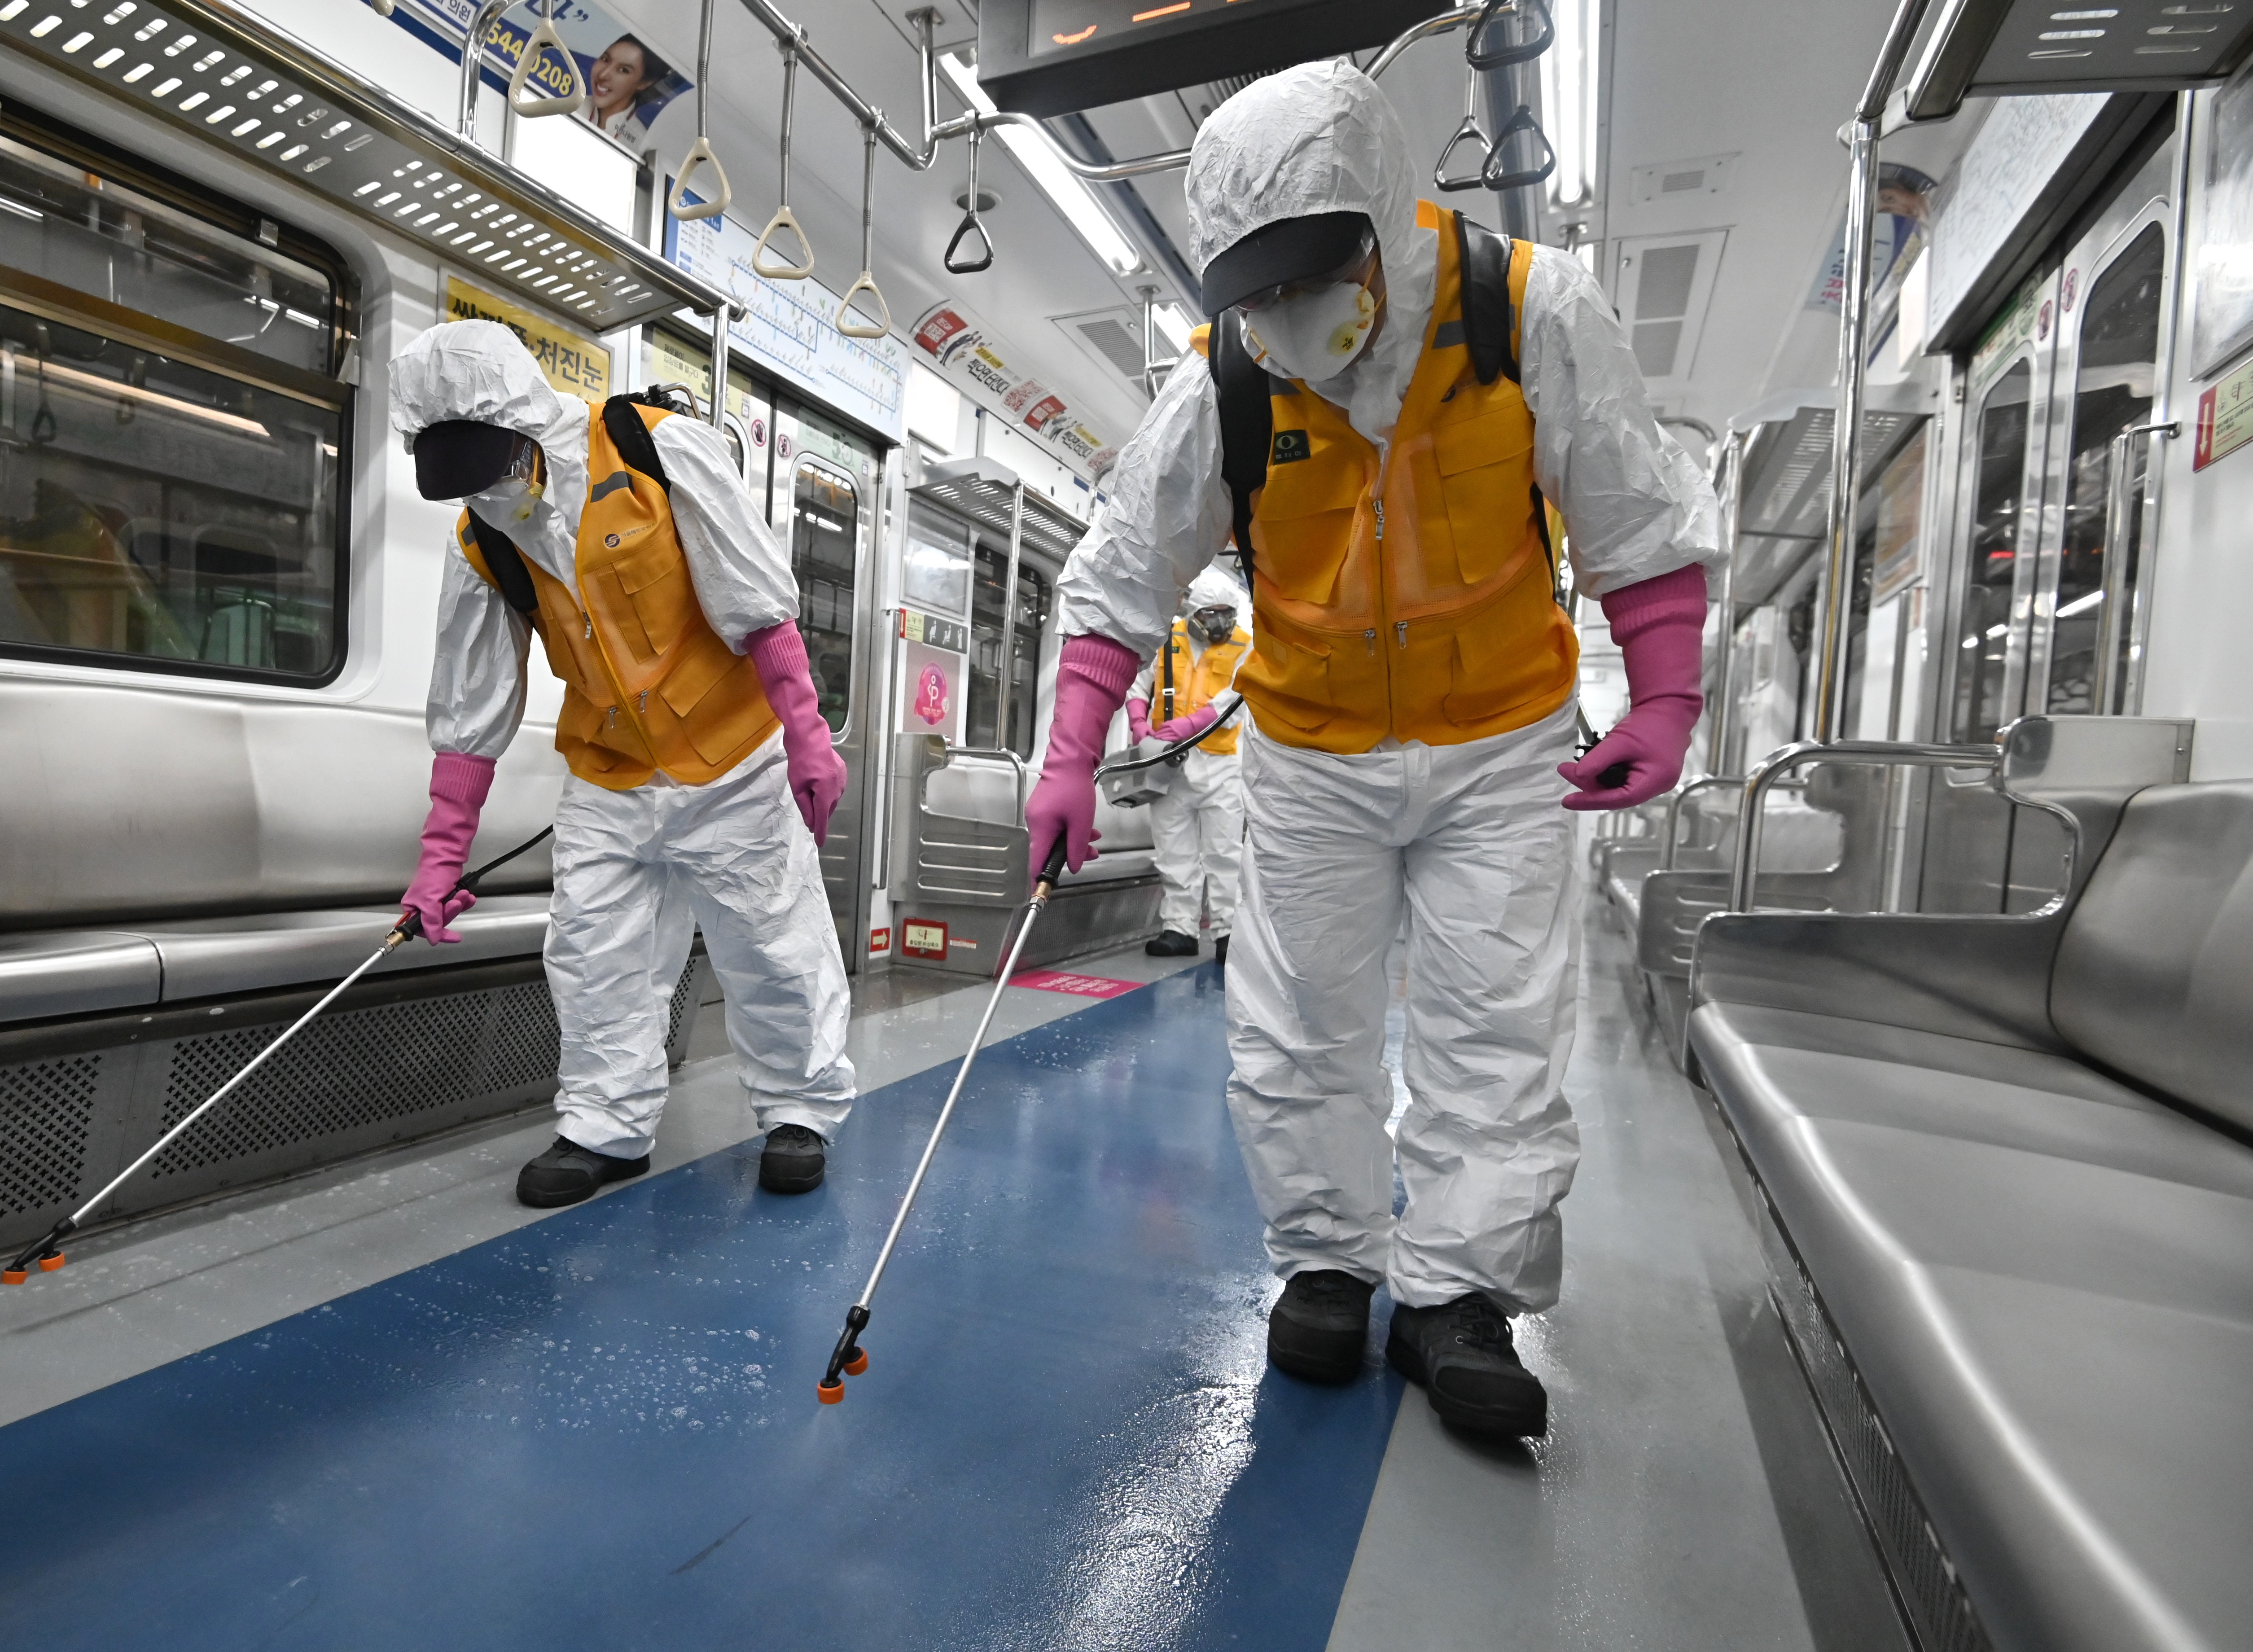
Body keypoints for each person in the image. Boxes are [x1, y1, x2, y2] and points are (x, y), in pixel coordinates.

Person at [1027, 62, 1718, 1438]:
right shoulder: (1234, 367)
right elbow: (1120, 570)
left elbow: (1633, 513)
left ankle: (1458, 1298)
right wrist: (1065, 755)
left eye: (1310, 273)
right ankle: (1327, 1265)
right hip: (1309, 749)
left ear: (1383, 226)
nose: (1290, 313)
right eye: (1259, 287)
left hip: (1501, 747)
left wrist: (1662, 699)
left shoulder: (1532, 314)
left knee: (1494, 1032)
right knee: (1298, 1029)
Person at [390, 320, 855, 1209]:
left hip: (729, 756)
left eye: (493, 465)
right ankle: (605, 1123)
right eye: (461, 478)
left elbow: (753, 599)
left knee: (767, 938)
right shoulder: (484, 539)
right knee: (593, 951)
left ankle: (798, 1107)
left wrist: (805, 729)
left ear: (527, 423)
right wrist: (439, 859)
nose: (486, 491)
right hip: (607, 769)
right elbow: (470, 700)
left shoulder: (658, 452)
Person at [1127, 564, 1250, 962]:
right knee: (1173, 849)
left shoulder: (1245, 647)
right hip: (1169, 765)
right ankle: (1178, 929)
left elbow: (1234, 700)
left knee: (1224, 852)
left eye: (1225, 615)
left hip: (1222, 764)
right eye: (1208, 615)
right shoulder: (1164, 641)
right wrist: (1137, 722)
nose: (1218, 623)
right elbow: (1137, 684)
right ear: (1191, 613)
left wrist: (1189, 724)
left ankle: (1227, 932)